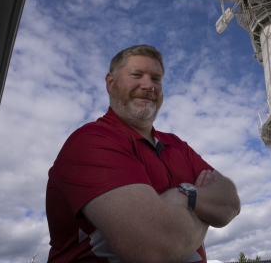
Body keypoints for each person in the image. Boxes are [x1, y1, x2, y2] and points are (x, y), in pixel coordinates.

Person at [46, 45, 241, 263]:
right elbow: (154, 248)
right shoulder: (91, 141)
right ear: (111, 83)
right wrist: (204, 211)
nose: (148, 85)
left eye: (156, 79)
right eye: (137, 75)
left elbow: (231, 202)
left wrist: (184, 196)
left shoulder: (177, 145)